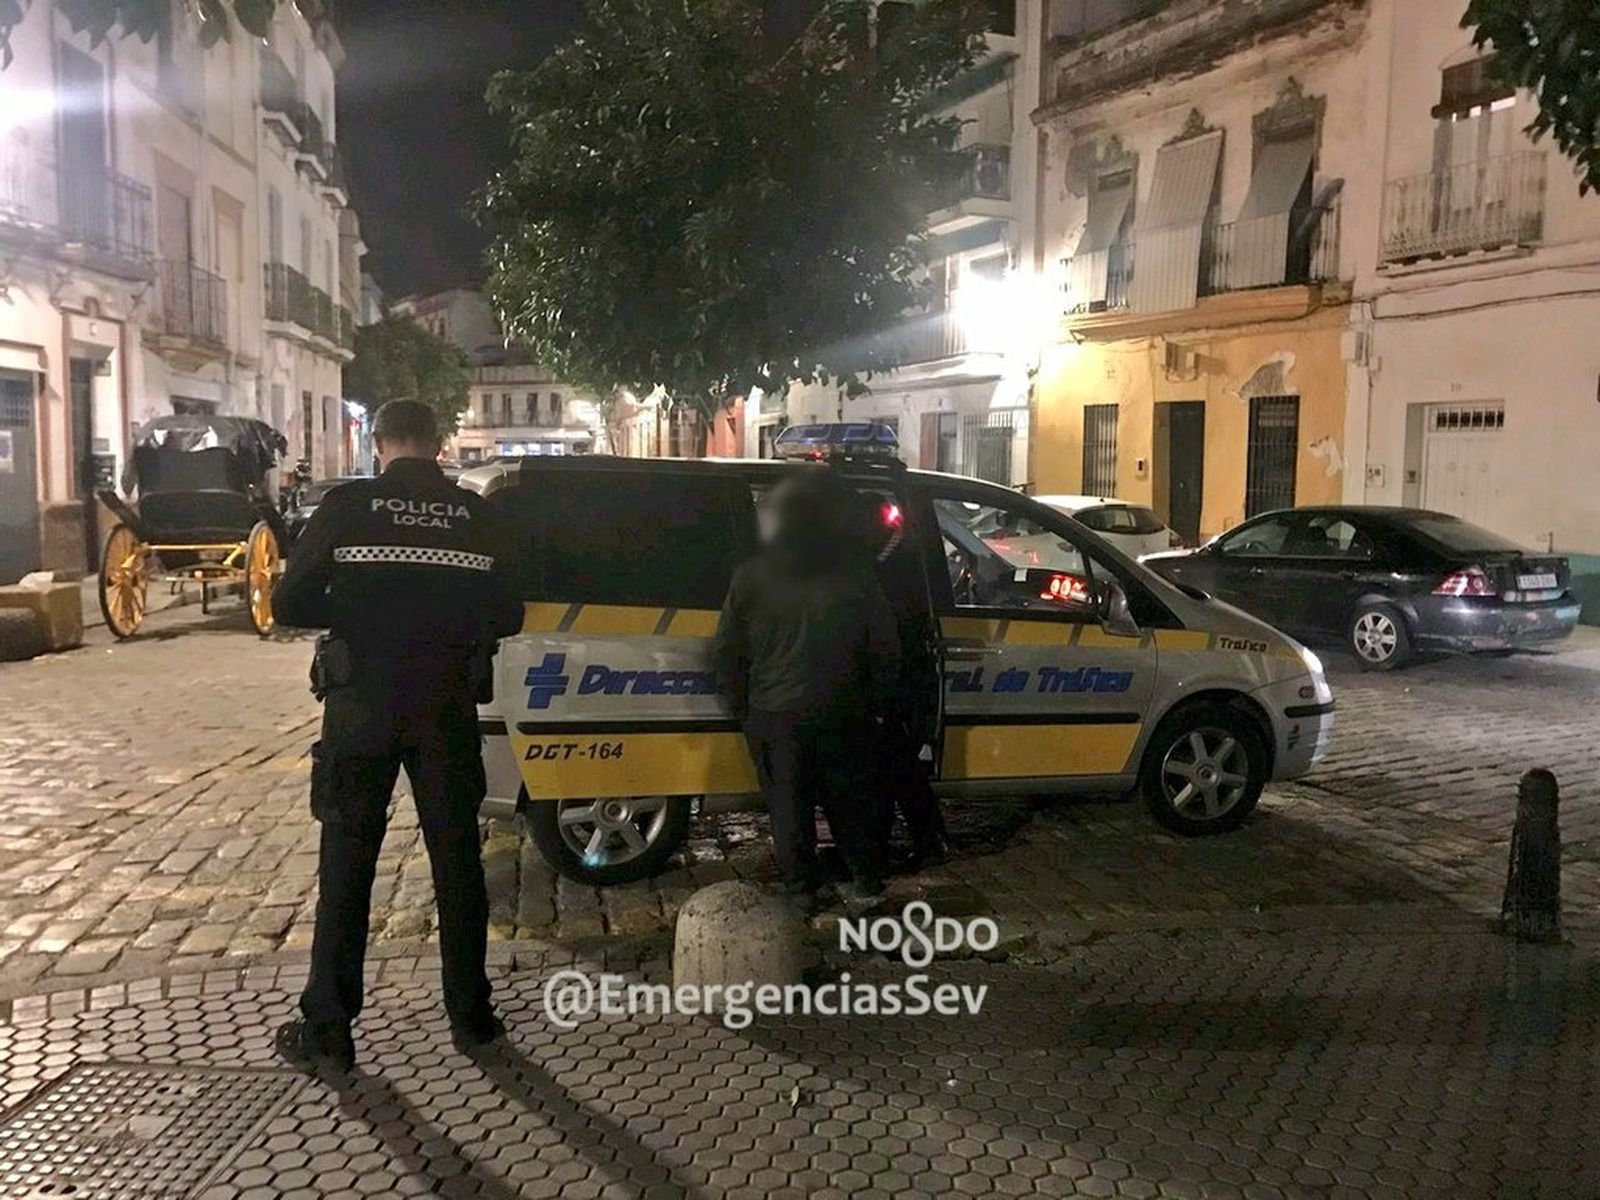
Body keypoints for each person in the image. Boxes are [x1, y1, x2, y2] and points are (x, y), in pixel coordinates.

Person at [272, 400, 524, 1075]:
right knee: (458, 863)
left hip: (361, 707)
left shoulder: (351, 509)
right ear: (439, 444)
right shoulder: (476, 516)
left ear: (380, 443)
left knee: (347, 863)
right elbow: (509, 611)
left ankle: (328, 1027)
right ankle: (473, 1018)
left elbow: (288, 602)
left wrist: (358, 610)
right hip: (444, 708)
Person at [714, 470, 901, 909]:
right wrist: (878, 703)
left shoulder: (750, 576)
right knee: (849, 800)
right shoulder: (855, 572)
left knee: (788, 806)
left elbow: (727, 650)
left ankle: (802, 889)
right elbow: (884, 645)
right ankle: (866, 879)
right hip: (843, 707)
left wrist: (741, 706)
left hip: (774, 711)